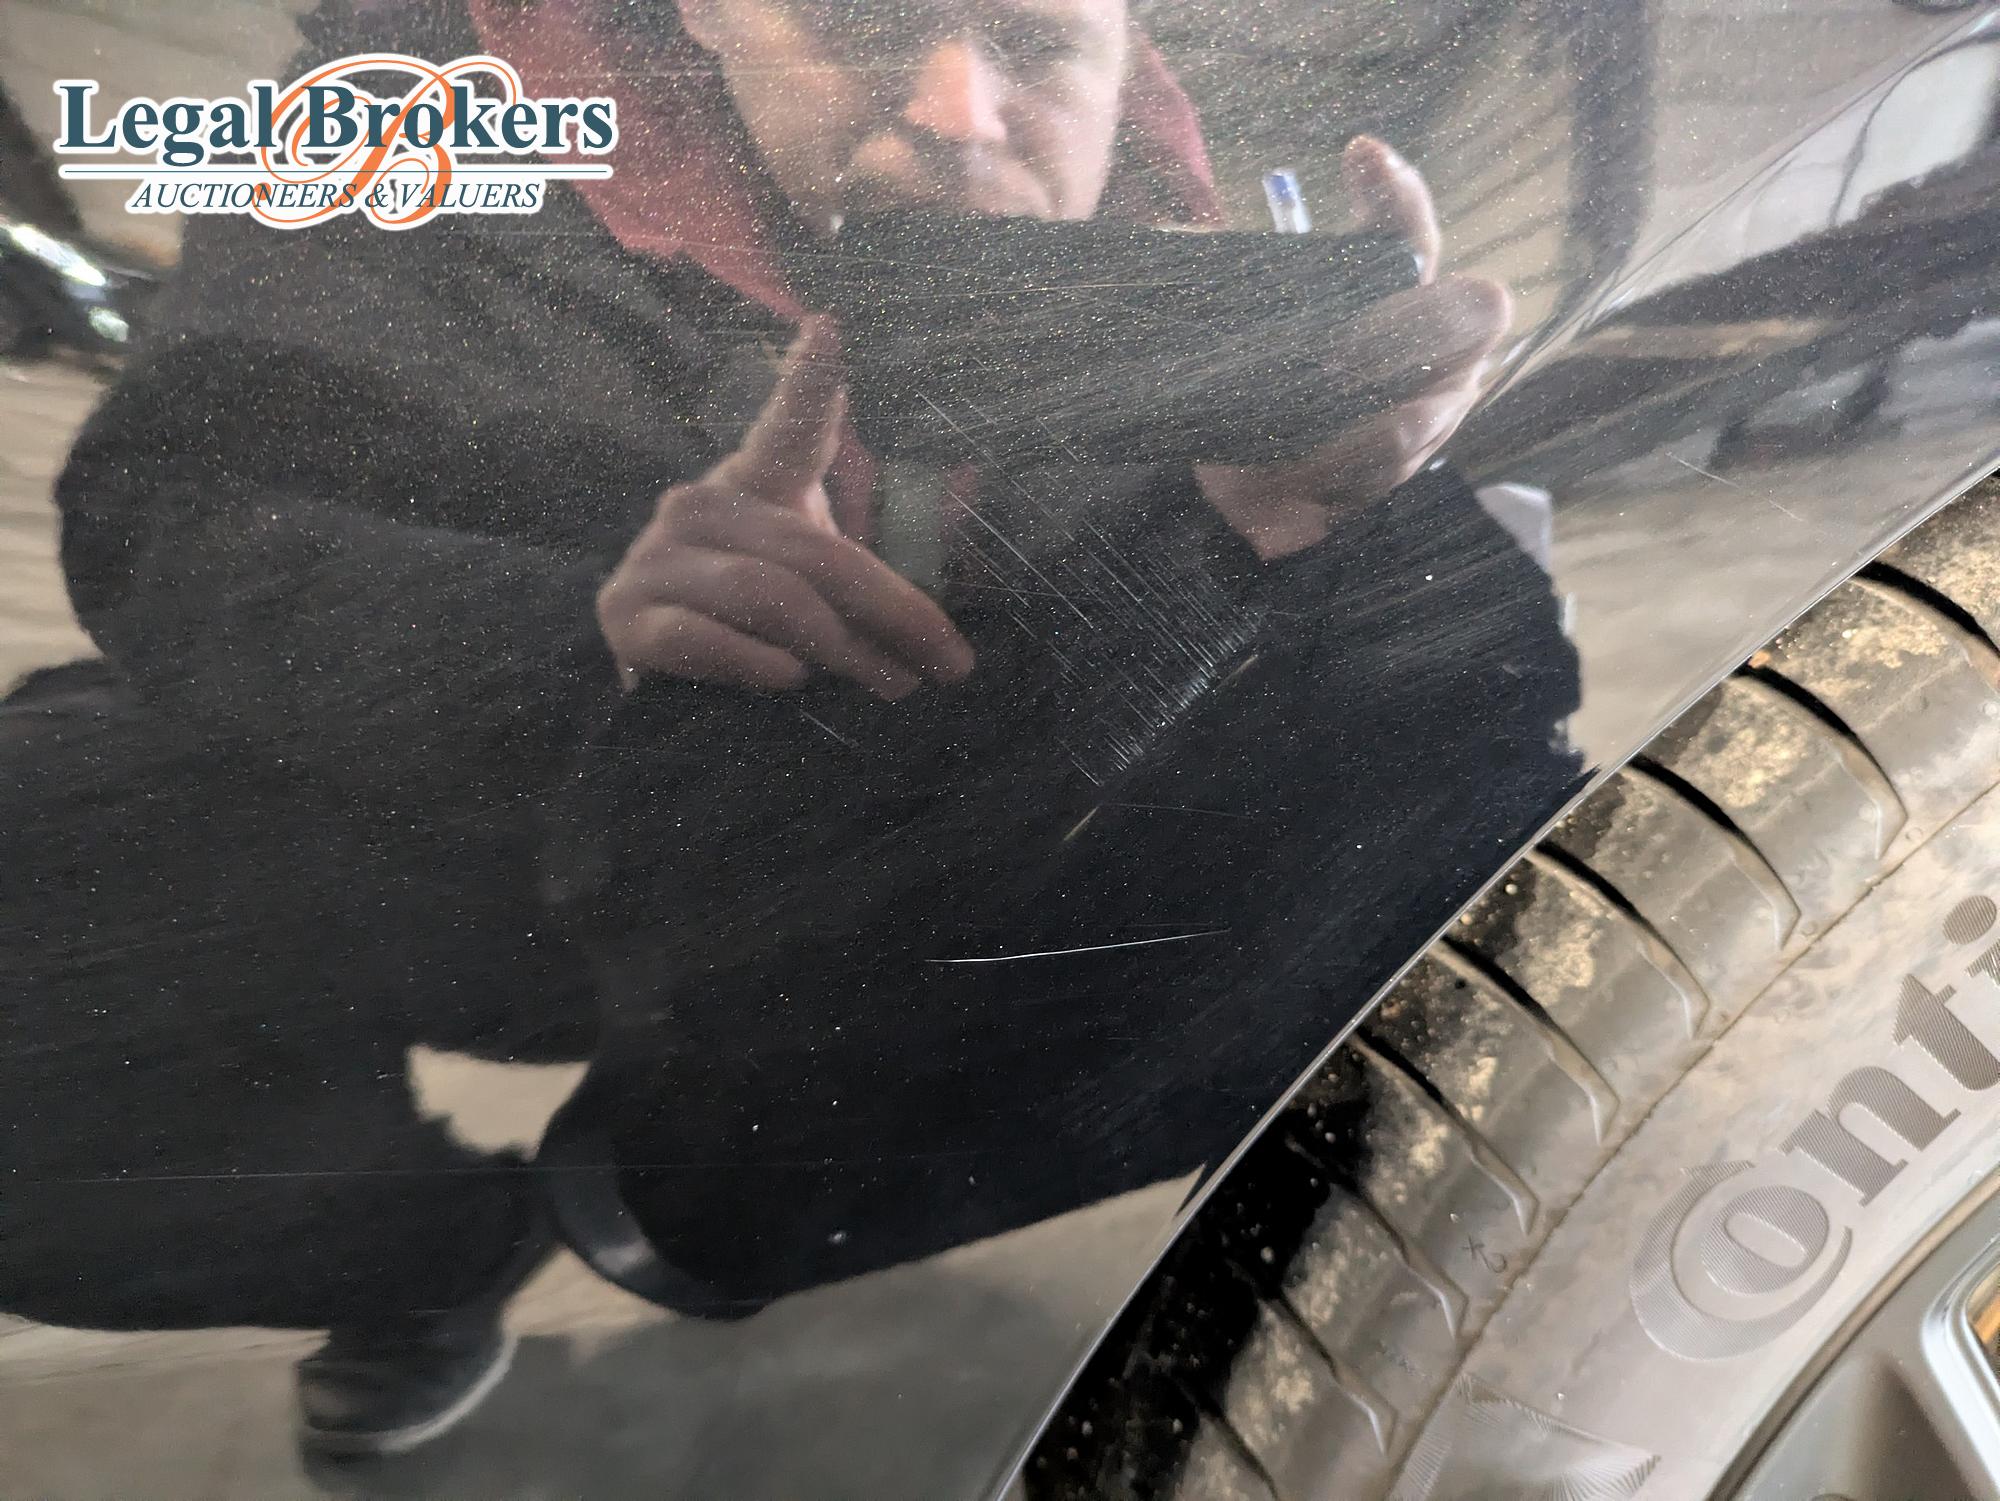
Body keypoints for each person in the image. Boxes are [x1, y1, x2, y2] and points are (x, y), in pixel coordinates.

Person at [1, 0, 1572, 1461]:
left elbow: (1456, 820)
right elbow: (171, 519)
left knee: (1416, 852)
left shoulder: (1238, 227)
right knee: (40, 907)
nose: (957, 109)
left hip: (926, 842)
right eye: (863, 20)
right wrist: (589, 646)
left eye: (1032, 41)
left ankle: (701, 1184)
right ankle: (420, 1256)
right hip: (481, 824)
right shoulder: (426, 114)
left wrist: (1294, 531)